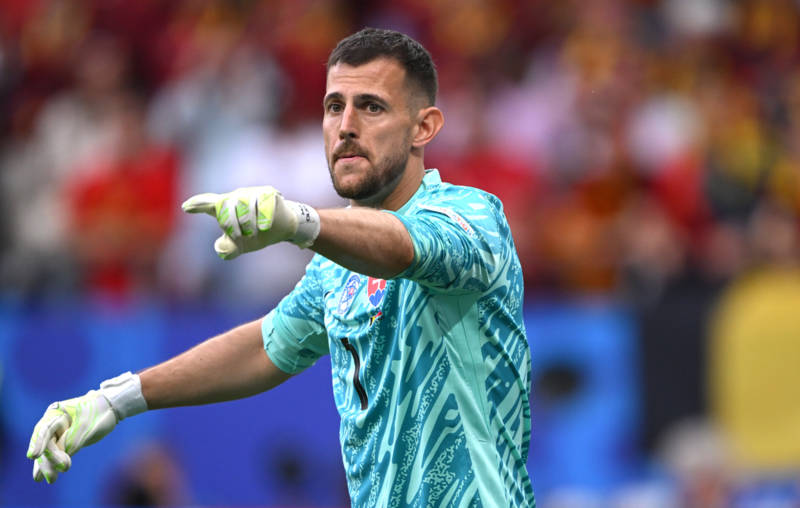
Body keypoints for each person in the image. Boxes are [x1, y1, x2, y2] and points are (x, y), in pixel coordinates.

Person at [27, 28, 536, 507]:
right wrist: (115, 399)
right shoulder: (335, 269)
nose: (346, 126)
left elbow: (405, 247)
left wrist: (296, 220)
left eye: (371, 107)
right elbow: (264, 346)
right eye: (334, 107)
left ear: (423, 127)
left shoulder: (474, 216)